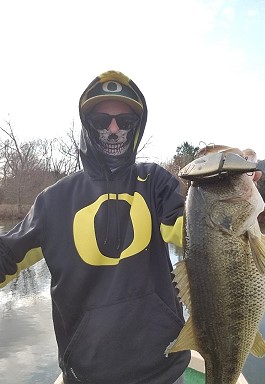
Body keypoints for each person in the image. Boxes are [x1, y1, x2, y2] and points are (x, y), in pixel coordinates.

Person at [0, 70, 190, 384]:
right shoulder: (54, 200)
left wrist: (222, 190)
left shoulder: (155, 182)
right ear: (88, 126)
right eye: (102, 121)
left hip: (163, 370)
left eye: (125, 122)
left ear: (136, 128)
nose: (114, 129)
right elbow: (7, 256)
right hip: (87, 374)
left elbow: (190, 231)